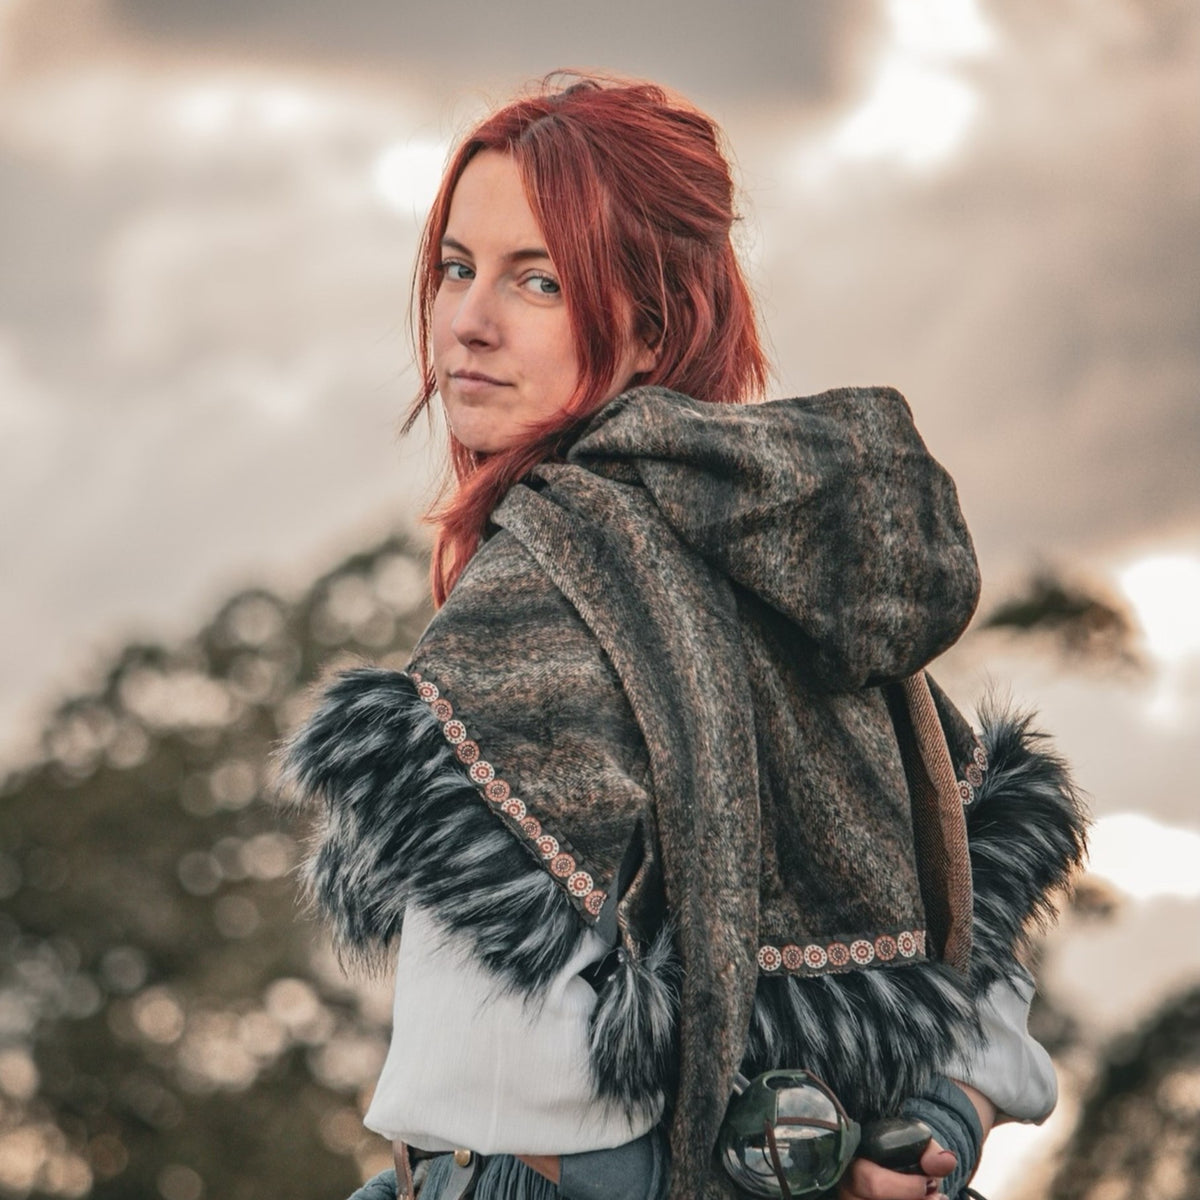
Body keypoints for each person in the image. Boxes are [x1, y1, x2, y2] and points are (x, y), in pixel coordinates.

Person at [281, 74, 1087, 1200]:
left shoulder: (542, 581)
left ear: (653, 326)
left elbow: (496, 1078)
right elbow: (977, 966)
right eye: (457, 268)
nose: (468, 319)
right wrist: (932, 1128)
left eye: (539, 281)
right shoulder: (798, 560)